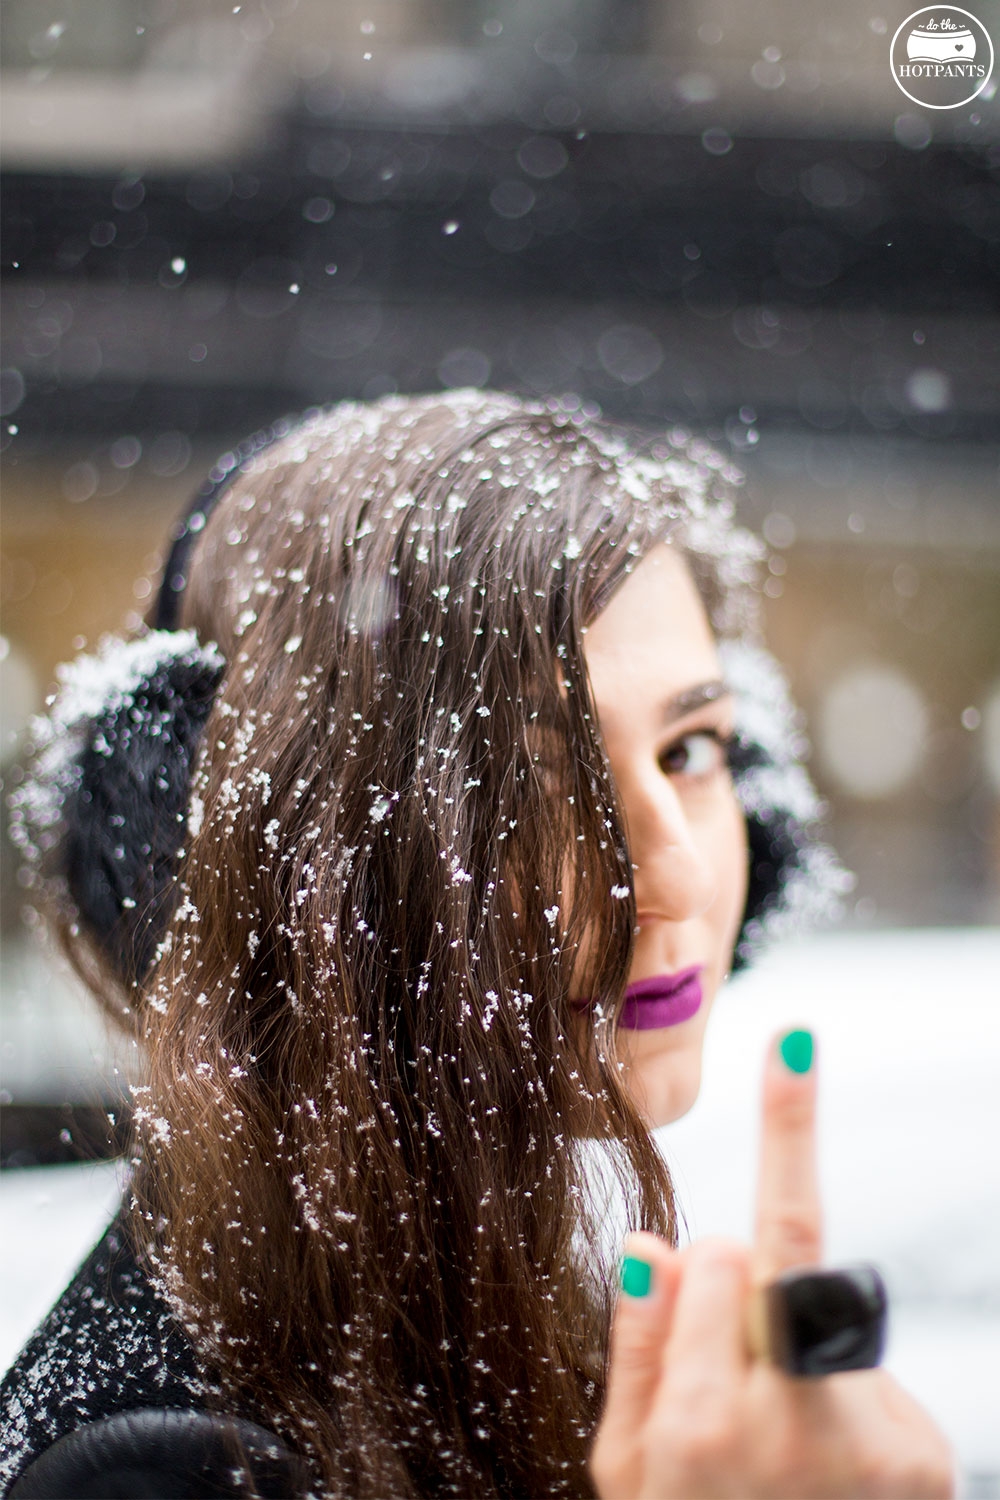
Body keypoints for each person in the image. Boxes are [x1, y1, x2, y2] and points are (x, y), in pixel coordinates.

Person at [1, 391, 953, 1498]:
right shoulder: (162, 1473)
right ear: (282, 871)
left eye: (692, 750)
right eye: (533, 784)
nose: (679, 875)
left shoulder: (500, 1300)